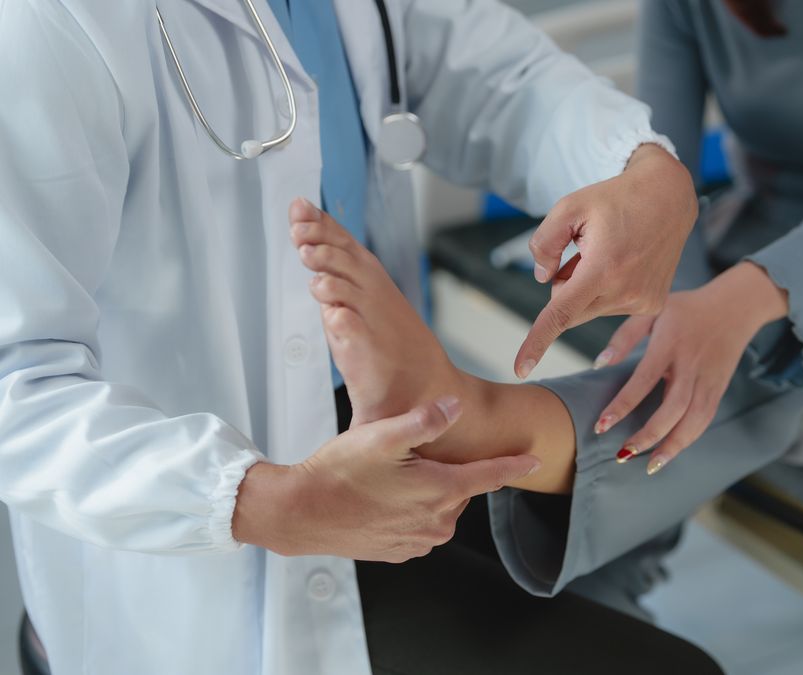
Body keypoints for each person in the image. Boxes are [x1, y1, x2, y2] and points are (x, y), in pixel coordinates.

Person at [0, 1, 712, 674]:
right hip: (196, 532)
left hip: (366, 428)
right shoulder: (45, 24)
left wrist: (642, 166)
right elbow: (14, 387)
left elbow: (500, 79)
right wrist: (261, 500)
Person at [271, 0, 803, 622]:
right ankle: (584, 620)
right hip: (739, 250)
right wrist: (679, 298)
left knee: (760, 364)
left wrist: (735, 304)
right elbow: (658, 179)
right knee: (672, 373)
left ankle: (487, 421)